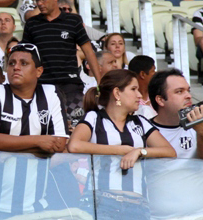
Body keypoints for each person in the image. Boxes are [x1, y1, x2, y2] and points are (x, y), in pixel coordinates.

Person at [0, 43, 69, 215]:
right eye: (11, 63)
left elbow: (58, 144)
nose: (16, 67)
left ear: (39, 71)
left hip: (37, 206)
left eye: (23, 63)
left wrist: (7, 149)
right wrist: (39, 141)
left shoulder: (51, 93)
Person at [67, 70, 176, 216]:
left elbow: (170, 152)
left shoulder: (141, 122)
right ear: (117, 93)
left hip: (137, 207)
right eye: (133, 89)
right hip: (100, 203)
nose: (139, 95)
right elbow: (74, 145)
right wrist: (120, 150)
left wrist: (139, 151)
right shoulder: (94, 118)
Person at [22, 0, 101, 123]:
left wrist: (100, 82)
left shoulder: (74, 20)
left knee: (77, 127)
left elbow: (89, 52)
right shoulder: (31, 24)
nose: (40, 3)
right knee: (45, 130)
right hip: (41, 86)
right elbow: (25, 57)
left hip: (70, 85)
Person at [148, 69, 203, 159]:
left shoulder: (202, 122)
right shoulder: (143, 129)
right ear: (160, 100)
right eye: (179, 91)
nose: (188, 96)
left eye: (188, 90)